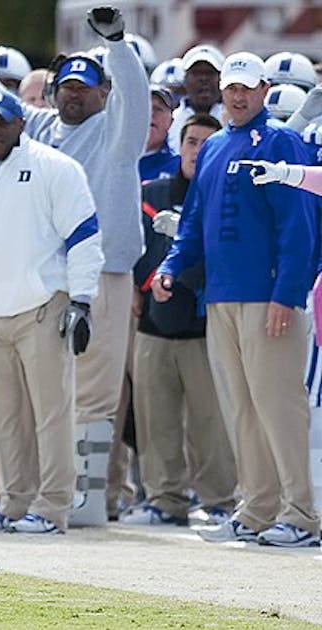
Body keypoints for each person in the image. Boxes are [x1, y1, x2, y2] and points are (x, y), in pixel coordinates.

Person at [0, 6, 149, 525]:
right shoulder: (38, 131)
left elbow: (135, 94)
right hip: (37, 281)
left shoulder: (117, 129)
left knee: (88, 396)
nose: (73, 93)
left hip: (103, 272)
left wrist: (117, 43)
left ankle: (92, 500)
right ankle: (21, 499)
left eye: (85, 87)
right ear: (50, 96)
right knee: (17, 405)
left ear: (102, 93)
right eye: (66, 86)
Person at [153, 53, 320, 547]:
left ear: (265, 90)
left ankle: (302, 514)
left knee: (279, 406)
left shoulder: (282, 141)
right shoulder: (215, 147)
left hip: (266, 296)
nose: (238, 95)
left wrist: (286, 295)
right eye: (231, 87)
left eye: (247, 88)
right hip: (220, 297)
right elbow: (194, 224)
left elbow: (300, 227)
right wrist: (170, 266)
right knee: (241, 409)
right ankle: (259, 507)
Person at [0, 89, 104, 534]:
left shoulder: (55, 168)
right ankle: (14, 501)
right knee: (2, 415)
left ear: (21, 123)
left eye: (4, 121)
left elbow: (83, 237)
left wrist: (81, 300)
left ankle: (53, 505)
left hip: (42, 306)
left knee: (52, 411)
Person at [122, 113, 237, 527]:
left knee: (211, 421)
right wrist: (136, 290)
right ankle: (163, 499)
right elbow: (133, 247)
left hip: (204, 327)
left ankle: (219, 499)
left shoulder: (223, 195)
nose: (197, 150)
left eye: (207, 143)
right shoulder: (153, 190)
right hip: (154, 325)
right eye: (191, 141)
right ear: (181, 145)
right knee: (156, 421)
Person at [166, 44, 225, 152]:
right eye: (196, 73)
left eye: (210, 73)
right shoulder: (170, 123)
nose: (203, 79)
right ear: (185, 80)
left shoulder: (235, 121)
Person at [139, 85, 180, 182]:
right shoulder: (111, 159)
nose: (151, 114)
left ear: (171, 121)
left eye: (158, 109)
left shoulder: (178, 167)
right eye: (145, 108)